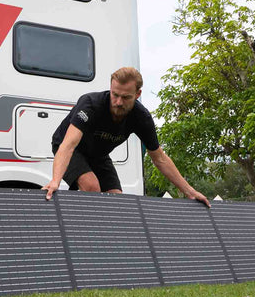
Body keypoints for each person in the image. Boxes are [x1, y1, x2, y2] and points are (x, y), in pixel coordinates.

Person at [42, 67, 210, 207]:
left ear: (137, 94)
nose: (118, 102)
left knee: (117, 199)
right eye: (115, 95)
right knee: (91, 186)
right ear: (110, 88)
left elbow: (160, 159)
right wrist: (55, 181)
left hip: (98, 155)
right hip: (71, 147)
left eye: (126, 97)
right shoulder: (91, 104)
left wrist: (190, 191)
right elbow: (68, 145)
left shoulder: (141, 117)